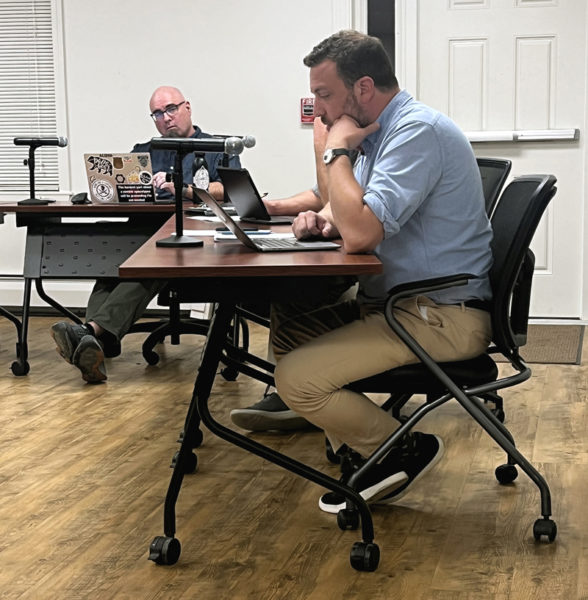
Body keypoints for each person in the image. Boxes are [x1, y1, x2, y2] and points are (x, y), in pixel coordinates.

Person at [242, 30, 494, 514]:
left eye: (324, 94)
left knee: (296, 380)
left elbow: (361, 234)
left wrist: (335, 149)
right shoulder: (381, 134)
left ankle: (399, 449)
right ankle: (360, 447)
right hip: (402, 306)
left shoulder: (416, 132)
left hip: (440, 317)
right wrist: (320, 219)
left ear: (362, 88)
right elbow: (353, 213)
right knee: (295, 326)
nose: (319, 110)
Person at [50, 86, 240, 384]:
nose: (165, 118)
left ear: (187, 107)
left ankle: (91, 335)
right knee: (113, 261)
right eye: (157, 113)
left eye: (171, 109)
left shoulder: (217, 147)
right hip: (142, 230)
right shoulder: (144, 150)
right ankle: (94, 340)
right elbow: (126, 190)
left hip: (192, 236)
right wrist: (111, 190)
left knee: (151, 259)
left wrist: (183, 188)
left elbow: (227, 189)